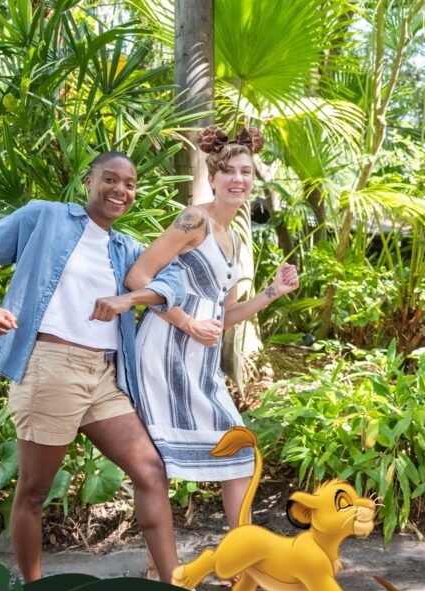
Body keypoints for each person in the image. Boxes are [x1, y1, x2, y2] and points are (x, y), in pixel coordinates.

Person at [0, 152, 184, 584]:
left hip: (104, 376)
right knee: (34, 491)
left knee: (151, 472)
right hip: (51, 369)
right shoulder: (45, 217)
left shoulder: (125, 248)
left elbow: (173, 281)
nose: (120, 190)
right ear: (88, 181)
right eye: (110, 179)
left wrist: (129, 298)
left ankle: (174, 588)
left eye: (130, 184)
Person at [89, 125, 299, 533]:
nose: (238, 179)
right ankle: (177, 559)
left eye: (246, 172)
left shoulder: (234, 240)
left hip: (200, 360)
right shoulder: (194, 219)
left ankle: (241, 553)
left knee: (239, 455)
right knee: (167, 459)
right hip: (165, 348)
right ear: (213, 177)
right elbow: (137, 277)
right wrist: (187, 323)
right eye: (229, 171)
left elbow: (225, 316)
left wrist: (273, 292)